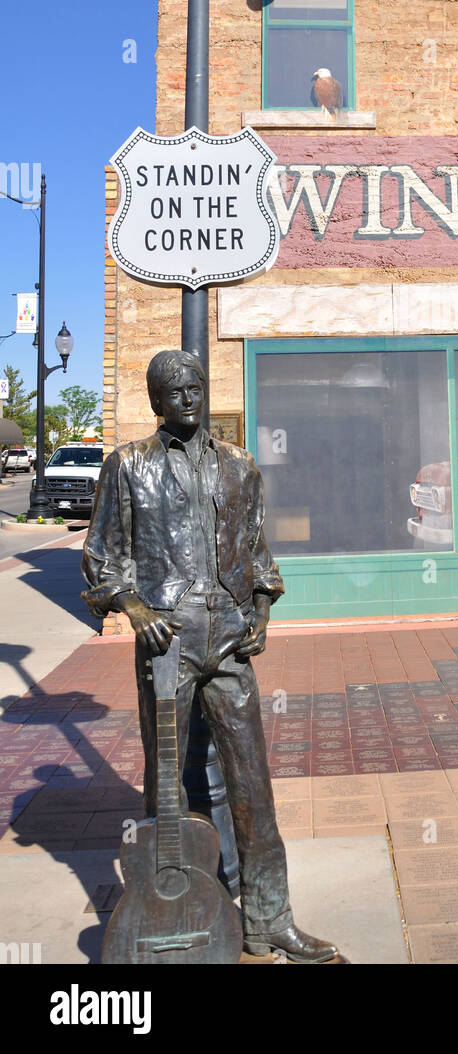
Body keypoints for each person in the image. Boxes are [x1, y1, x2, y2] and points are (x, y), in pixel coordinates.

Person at [81, 349, 339, 963]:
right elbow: (100, 554)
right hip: (166, 637)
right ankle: (176, 902)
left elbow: (255, 549)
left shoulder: (240, 466)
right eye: (175, 390)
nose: (189, 398)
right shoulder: (128, 465)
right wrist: (135, 609)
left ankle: (268, 919)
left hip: (226, 635)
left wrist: (261, 611)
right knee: (166, 783)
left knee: (253, 782)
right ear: (155, 401)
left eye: (195, 386)